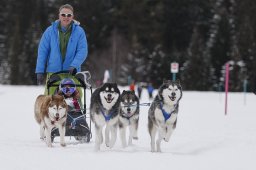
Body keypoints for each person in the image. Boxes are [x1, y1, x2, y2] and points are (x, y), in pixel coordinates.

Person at [35, 4, 88, 87]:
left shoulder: (79, 31)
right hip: (54, 73)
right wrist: (40, 70)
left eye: (69, 15)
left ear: (72, 16)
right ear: (59, 16)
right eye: (63, 14)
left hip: (72, 72)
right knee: (52, 98)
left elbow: (82, 51)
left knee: (75, 97)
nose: (66, 17)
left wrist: (74, 65)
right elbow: (43, 51)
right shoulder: (50, 31)